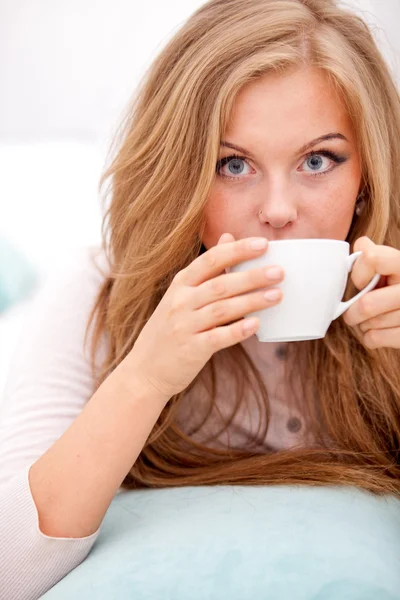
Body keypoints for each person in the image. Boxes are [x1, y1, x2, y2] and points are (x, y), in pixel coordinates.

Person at [1, 0, 400, 597]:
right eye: (233, 164)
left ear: (367, 171)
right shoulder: (97, 293)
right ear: (181, 171)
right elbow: (11, 569)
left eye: (318, 160)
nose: (278, 210)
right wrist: (145, 378)